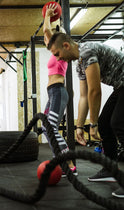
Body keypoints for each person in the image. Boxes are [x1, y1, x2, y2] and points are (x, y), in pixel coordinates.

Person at [47, 32, 124, 198]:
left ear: (66, 46)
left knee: (117, 123)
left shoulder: (87, 52)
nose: (59, 59)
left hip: (122, 84)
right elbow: (84, 96)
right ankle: (110, 168)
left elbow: (95, 91)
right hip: (119, 86)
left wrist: (92, 124)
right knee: (105, 124)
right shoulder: (79, 64)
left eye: (58, 54)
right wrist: (80, 127)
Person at [42, 3, 77, 176]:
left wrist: (47, 15)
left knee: (52, 128)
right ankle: (62, 161)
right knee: (46, 127)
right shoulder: (55, 52)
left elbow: (47, 33)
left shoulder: (62, 52)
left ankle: (69, 164)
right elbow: (47, 36)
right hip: (53, 93)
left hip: (58, 91)